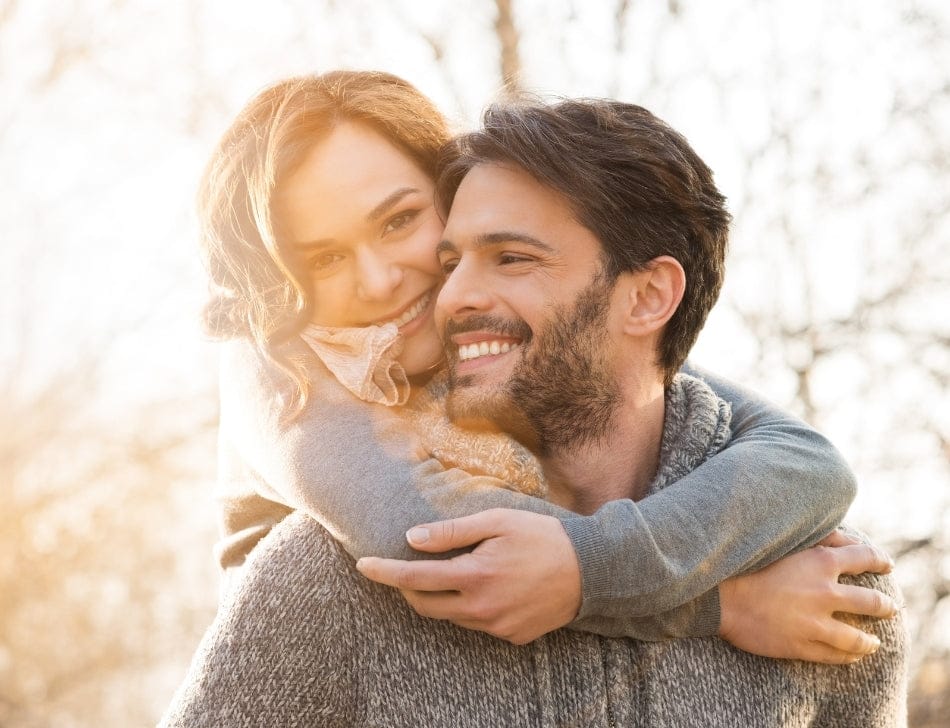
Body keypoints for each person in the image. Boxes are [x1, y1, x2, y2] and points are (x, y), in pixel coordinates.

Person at [160, 95, 907, 727]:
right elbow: (428, 542)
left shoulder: (832, 590)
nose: (392, 280)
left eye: (401, 223)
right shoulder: (286, 398)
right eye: (321, 257)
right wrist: (720, 605)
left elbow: (798, 453)